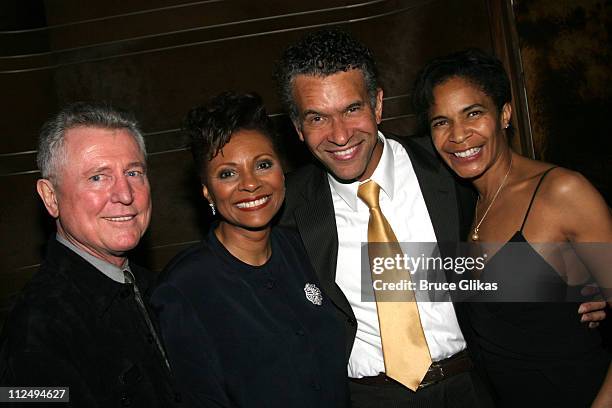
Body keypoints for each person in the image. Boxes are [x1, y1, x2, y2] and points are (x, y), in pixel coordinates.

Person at [275, 28, 606, 407]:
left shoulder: (455, 166)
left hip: (477, 388)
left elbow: (503, 249)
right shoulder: (285, 208)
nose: (339, 135)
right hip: (370, 398)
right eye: (317, 118)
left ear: (378, 104)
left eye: (352, 109)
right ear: (298, 127)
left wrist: (578, 285)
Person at [412, 48, 612, 407]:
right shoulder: (461, 205)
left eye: (473, 113)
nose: (458, 135)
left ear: (504, 114)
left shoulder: (561, 192)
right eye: (441, 122)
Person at [150, 92, 348, 408]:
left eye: (263, 164)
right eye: (227, 173)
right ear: (207, 191)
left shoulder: (305, 249)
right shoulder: (185, 288)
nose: (251, 183)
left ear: (282, 171)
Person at [0, 102, 180, 407]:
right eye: (98, 177)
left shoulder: (162, 289)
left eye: (134, 172)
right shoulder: (36, 329)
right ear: (50, 197)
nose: (125, 194)